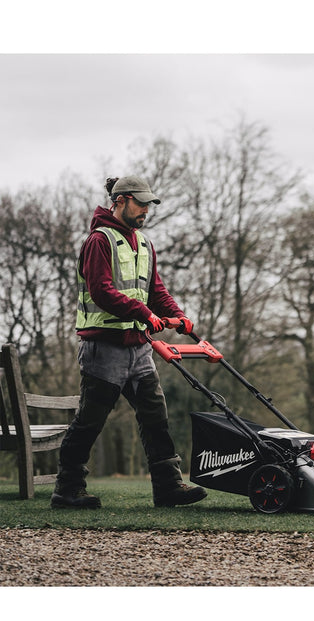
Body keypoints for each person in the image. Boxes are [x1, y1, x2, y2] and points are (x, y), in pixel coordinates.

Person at [51, 175, 207, 509]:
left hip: (138, 347)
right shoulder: (99, 240)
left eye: (149, 204)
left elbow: (156, 290)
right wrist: (142, 312)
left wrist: (178, 316)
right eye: (141, 203)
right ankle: (68, 489)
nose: (146, 210)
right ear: (120, 201)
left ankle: (167, 488)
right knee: (90, 420)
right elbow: (101, 290)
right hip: (104, 346)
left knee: (155, 415)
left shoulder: (145, 244)